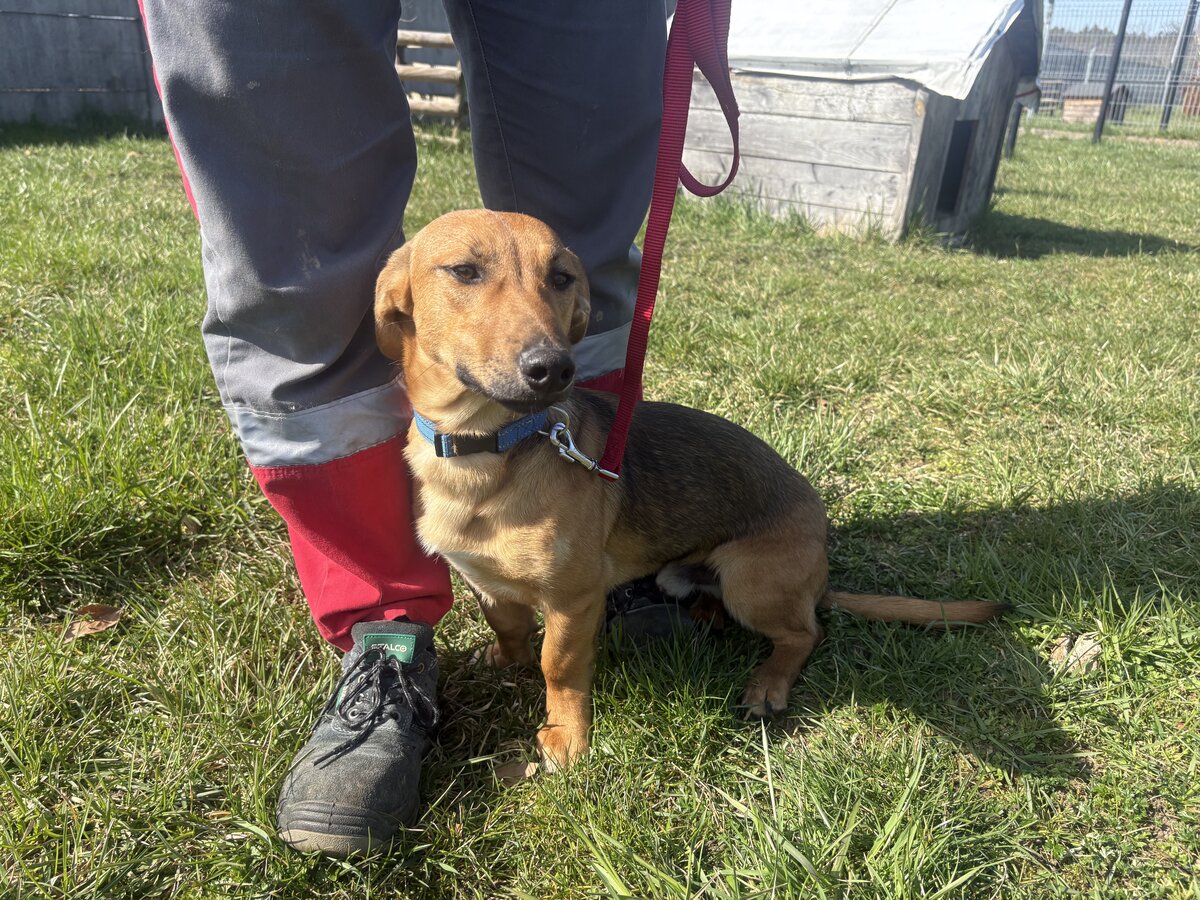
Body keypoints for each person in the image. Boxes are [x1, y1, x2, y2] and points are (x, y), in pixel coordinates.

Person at [138, 0, 667, 856]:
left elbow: (571, 282)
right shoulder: (392, 305)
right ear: (399, 307)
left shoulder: (563, 312)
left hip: (575, 486)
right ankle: (382, 628)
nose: (535, 326)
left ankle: (612, 544)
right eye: (467, 275)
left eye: (551, 289)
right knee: (299, 260)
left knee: (589, 190)